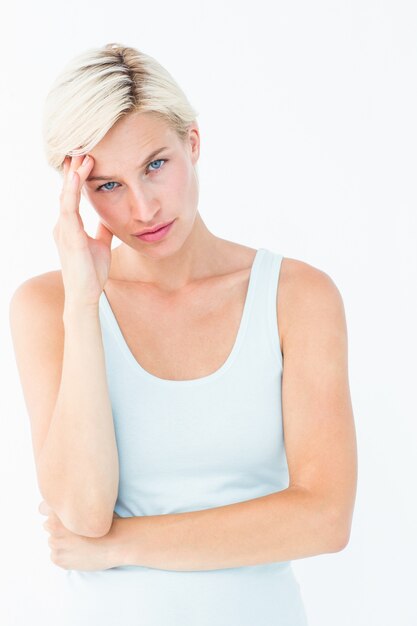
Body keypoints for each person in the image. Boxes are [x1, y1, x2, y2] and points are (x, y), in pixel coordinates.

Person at [9, 42, 357, 626]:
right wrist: (82, 301)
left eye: (155, 164)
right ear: (75, 192)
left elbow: (325, 519)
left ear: (192, 144)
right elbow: (82, 512)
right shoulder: (48, 306)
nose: (143, 208)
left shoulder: (297, 296)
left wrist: (123, 545)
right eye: (108, 186)